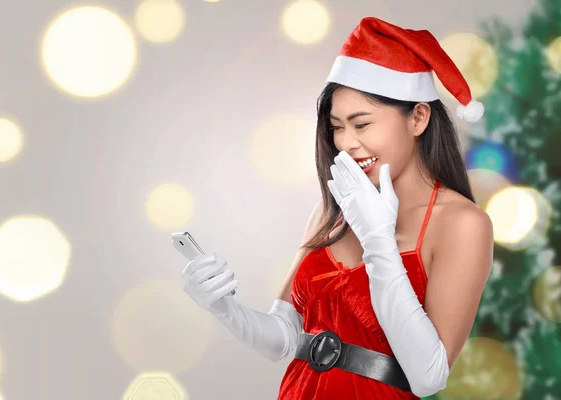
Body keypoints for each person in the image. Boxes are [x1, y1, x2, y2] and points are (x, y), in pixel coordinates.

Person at [181, 16, 494, 399]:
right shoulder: (333, 209)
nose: (345, 143)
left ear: (418, 117)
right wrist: (221, 307)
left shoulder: (462, 223)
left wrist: (378, 239)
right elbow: (282, 339)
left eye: (361, 125)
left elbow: (428, 376)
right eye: (336, 127)